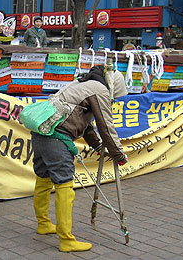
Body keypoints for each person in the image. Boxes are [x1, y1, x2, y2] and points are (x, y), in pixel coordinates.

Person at [29, 65, 128, 252]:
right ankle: (66, 240)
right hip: (57, 139)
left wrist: (98, 146)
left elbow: (86, 123)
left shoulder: (83, 84)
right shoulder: (100, 90)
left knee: (43, 179)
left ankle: (43, 224)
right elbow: (106, 126)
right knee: (64, 185)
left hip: (41, 134)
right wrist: (119, 154)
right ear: (113, 87)